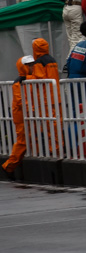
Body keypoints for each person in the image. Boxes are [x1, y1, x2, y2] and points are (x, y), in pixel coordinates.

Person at [2, 38, 61, 179]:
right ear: (23, 67)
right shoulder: (20, 82)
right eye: (29, 65)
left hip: (27, 115)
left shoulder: (26, 80)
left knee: (32, 139)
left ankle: (17, 166)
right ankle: (8, 167)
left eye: (32, 64)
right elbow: (20, 101)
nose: (32, 67)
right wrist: (32, 109)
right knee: (23, 141)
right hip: (22, 116)